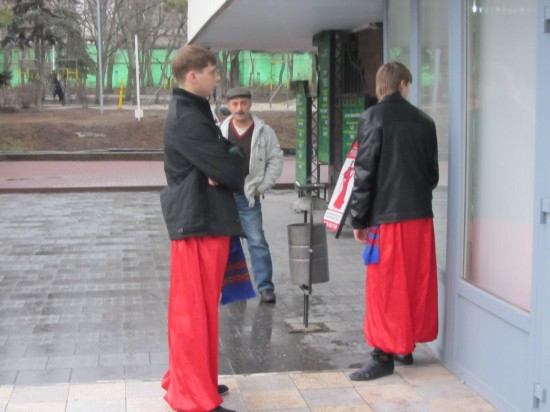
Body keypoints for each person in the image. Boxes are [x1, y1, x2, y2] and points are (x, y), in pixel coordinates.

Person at [159, 44, 246, 412]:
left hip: (203, 219)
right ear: (191, 76)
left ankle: (198, 381)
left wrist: (225, 162)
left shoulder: (196, 110)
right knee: (193, 313)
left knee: (201, 310)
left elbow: (226, 163)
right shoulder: (187, 116)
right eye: (212, 71)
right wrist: (227, 163)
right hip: (197, 222)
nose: (217, 77)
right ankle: (193, 395)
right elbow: (231, 167)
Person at [348, 61, 439, 381]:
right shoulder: (425, 122)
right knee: (414, 282)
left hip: (386, 219)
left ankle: (381, 355)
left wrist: (358, 218)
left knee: (384, 288)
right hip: (420, 217)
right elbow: (432, 176)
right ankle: (404, 346)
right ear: (402, 84)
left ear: (382, 86)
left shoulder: (371, 118)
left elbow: (364, 173)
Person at [219, 87, 284, 303]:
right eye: (235, 104)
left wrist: (261, 187)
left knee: (257, 241)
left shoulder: (264, 131)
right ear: (229, 106)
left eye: (243, 103)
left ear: (250, 104)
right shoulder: (221, 131)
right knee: (224, 244)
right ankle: (229, 286)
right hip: (224, 198)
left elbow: (276, 159)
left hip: (249, 197)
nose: (239, 108)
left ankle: (265, 286)